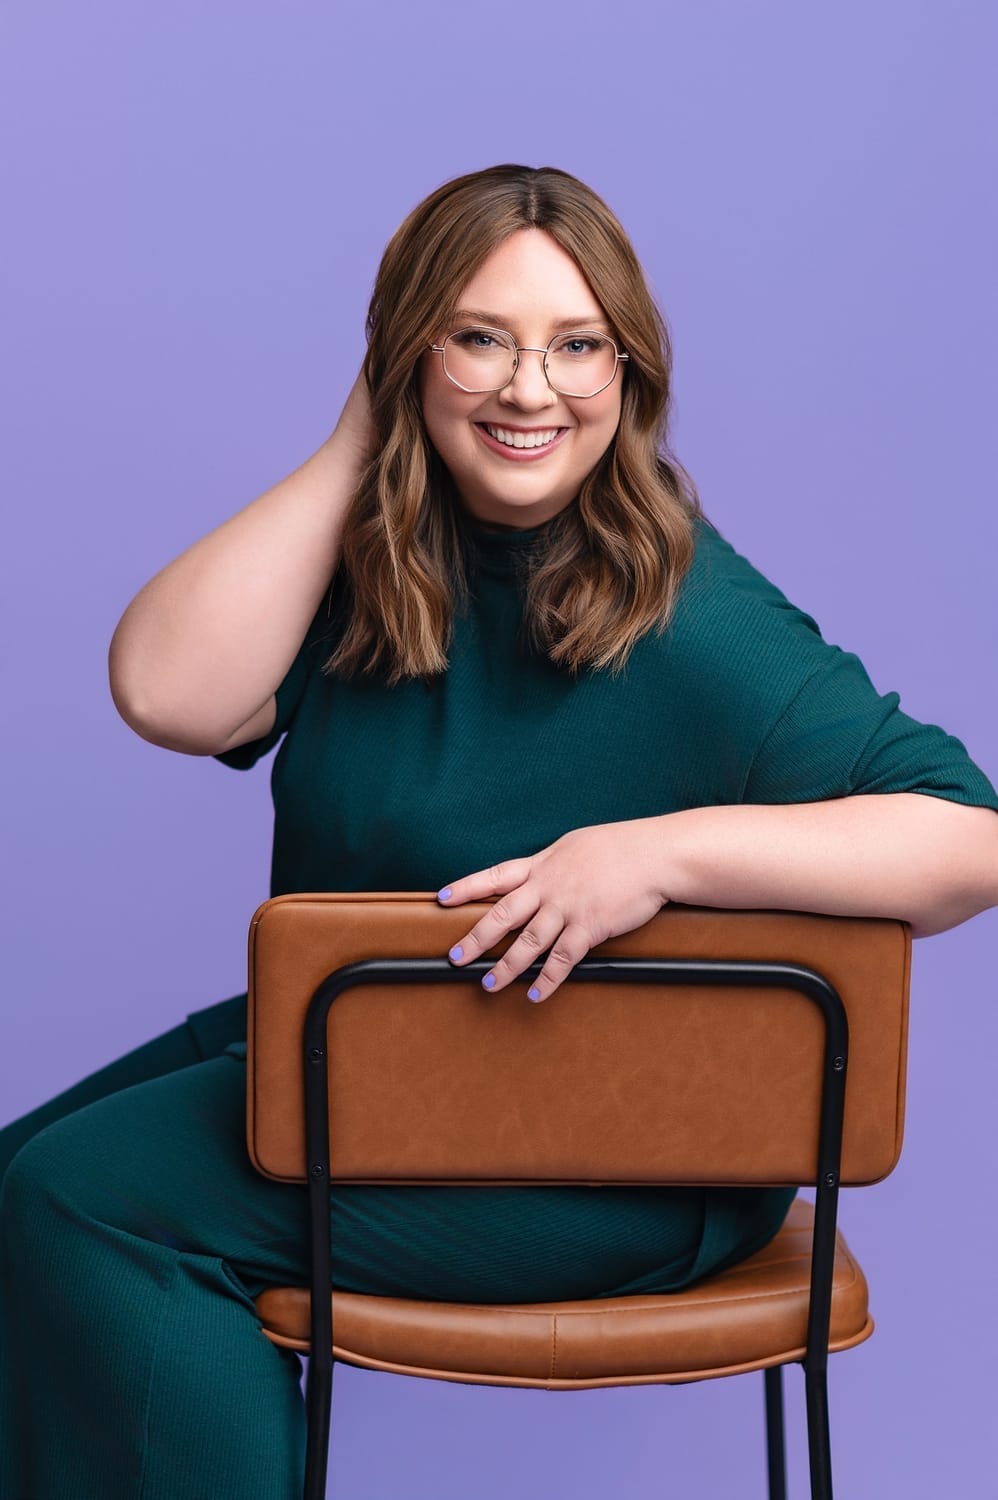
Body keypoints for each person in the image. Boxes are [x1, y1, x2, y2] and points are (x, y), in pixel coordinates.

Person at [1, 163, 996, 1499]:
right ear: (409, 352)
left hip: (603, 1159)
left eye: (577, 347)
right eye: (479, 338)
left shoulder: (686, 606)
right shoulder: (371, 565)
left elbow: (970, 841)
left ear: (627, 372)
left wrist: (656, 853)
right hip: (388, 1068)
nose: (531, 389)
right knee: (15, 1180)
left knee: (83, 1201)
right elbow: (165, 695)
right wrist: (361, 437)